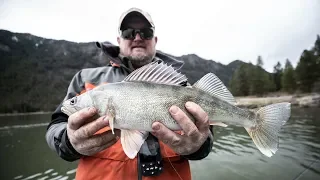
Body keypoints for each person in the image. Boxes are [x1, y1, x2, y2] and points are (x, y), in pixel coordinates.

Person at [46, 7, 214, 180]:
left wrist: (199, 145)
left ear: (155, 40)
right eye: (129, 33)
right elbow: (56, 125)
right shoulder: (85, 79)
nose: (138, 38)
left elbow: (207, 132)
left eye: (146, 32)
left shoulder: (181, 85)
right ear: (119, 40)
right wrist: (68, 141)